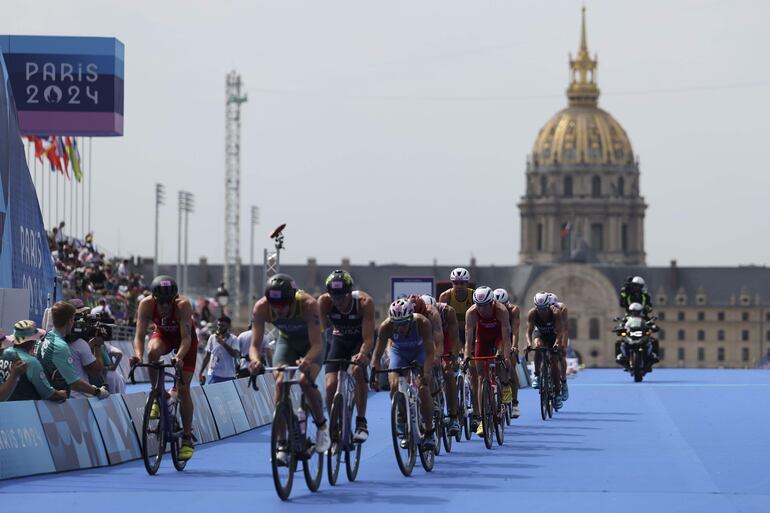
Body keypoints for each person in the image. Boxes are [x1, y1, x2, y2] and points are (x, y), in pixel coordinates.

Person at [248, 273, 330, 462]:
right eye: (275, 306)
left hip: (312, 345)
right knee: (279, 381)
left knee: (304, 381)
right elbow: (254, 345)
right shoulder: (261, 307)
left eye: (284, 305)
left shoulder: (309, 305)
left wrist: (307, 360)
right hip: (287, 343)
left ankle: (322, 426)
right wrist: (254, 360)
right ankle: (283, 443)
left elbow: (317, 345)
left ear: (293, 299)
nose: (279, 310)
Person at [131, 275, 197, 461]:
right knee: (152, 352)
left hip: (185, 341)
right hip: (163, 336)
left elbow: (186, 338)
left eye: (169, 302)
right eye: (162, 302)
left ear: (174, 299)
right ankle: (157, 393)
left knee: (183, 389)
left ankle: (186, 438)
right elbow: (139, 335)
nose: (166, 306)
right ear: (154, 299)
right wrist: (137, 354)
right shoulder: (146, 304)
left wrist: (178, 357)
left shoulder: (183, 305)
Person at [370, 298, 436, 451]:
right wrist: (374, 372)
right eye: (396, 324)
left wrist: (426, 373)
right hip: (399, 353)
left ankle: (429, 430)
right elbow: (377, 354)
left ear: (410, 319)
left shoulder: (422, 323)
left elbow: (430, 352)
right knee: (394, 385)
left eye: (403, 324)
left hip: (420, 352)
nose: (399, 328)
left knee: (423, 388)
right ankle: (401, 414)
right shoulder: (386, 326)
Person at [319, 270, 375, 442]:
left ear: (350, 292)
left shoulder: (365, 303)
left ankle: (361, 421)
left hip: (360, 342)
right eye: (334, 297)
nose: (338, 302)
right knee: (330, 386)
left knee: (358, 371)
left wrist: (363, 354)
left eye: (342, 297)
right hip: (339, 340)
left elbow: (368, 338)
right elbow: (319, 333)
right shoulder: (324, 302)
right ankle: (334, 426)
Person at [463, 287, 512, 436]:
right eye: (479, 305)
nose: (482, 309)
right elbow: (469, 338)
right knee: (480, 377)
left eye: (485, 305)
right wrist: (466, 355)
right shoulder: (471, 312)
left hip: (498, 337)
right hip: (482, 339)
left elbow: (505, 337)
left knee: (503, 361)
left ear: (491, 303)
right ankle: (483, 419)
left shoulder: (501, 310)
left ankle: (504, 385)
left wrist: (506, 356)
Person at [36, 302, 110, 399]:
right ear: (70, 320)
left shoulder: (47, 337)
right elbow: (74, 383)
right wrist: (97, 391)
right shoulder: (61, 346)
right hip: (67, 401)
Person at [421, 294, 462, 435]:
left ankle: (453, 417)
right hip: (427, 341)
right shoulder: (420, 317)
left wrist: (454, 357)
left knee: (448, 372)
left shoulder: (447, 311)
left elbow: (455, 337)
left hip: (446, 340)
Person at [0, 321, 67, 402]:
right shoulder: (31, 362)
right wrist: (62, 394)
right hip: (26, 411)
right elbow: (48, 393)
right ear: (31, 341)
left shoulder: (5, 354)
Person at [526, 292, 566, 409]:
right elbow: (529, 332)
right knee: (538, 346)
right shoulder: (532, 313)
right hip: (541, 333)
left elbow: (559, 333)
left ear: (549, 306)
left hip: (553, 335)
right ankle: (537, 375)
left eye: (544, 308)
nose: (542, 311)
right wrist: (529, 344)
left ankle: (558, 393)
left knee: (554, 361)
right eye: (539, 308)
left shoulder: (555, 313)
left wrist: (557, 343)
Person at [493, 288, 521, 418]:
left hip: (507, 337)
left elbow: (515, 331)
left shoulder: (513, 310)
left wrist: (514, 346)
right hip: (494, 336)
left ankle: (515, 403)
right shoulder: (490, 308)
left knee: (511, 366)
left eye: (502, 305)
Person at [198, 316, 240, 384]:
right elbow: (207, 356)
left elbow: (235, 354)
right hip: (213, 375)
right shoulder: (212, 337)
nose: (220, 327)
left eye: (223, 325)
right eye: (219, 325)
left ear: (229, 326)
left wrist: (222, 343)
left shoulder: (234, 339)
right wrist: (200, 372)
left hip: (228, 376)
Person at [547, 293, 570, 402]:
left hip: (558, 332)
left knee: (560, 356)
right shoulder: (542, 310)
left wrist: (563, 346)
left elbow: (564, 329)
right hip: (546, 332)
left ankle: (564, 381)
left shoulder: (562, 309)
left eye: (553, 306)